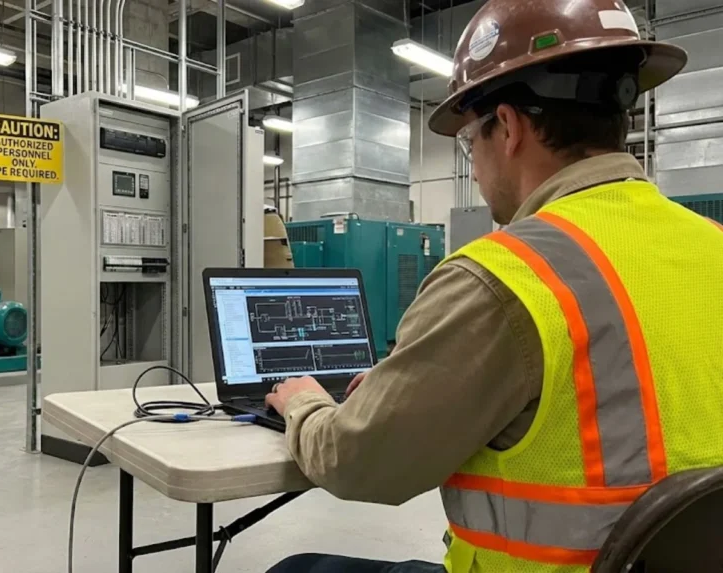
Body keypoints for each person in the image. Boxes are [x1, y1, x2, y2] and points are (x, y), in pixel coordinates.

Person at [264, 1, 723, 572]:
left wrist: (302, 402)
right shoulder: (713, 243)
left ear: (507, 128)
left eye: (469, 143)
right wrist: (400, 386)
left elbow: (357, 462)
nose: (474, 168)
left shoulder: (507, 275)